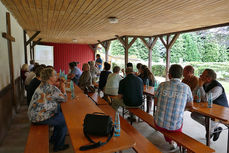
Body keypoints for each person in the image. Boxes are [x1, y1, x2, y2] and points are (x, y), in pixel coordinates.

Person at [28, 68, 69, 152]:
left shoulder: (42, 84)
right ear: (50, 77)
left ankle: (54, 138)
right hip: (38, 117)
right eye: (54, 75)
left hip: (32, 114)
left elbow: (50, 97)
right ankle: (58, 146)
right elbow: (64, 99)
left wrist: (58, 86)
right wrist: (63, 87)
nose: (56, 76)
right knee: (64, 121)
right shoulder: (52, 88)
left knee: (59, 113)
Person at [154, 64, 193, 151]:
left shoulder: (162, 85)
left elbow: (156, 103)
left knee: (165, 118)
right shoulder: (186, 88)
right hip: (175, 127)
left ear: (169, 75)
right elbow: (190, 105)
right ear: (181, 75)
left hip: (158, 124)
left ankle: (170, 142)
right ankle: (180, 145)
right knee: (176, 121)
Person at [191, 69, 228, 141]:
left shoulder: (217, 87)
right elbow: (192, 94)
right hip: (208, 108)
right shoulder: (202, 83)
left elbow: (206, 99)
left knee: (208, 121)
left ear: (209, 78)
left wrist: (201, 87)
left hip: (220, 111)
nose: (200, 76)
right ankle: (215, 129)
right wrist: (199, 87)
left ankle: (210, 131)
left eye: (202, 75)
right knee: (194, 114)